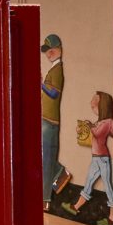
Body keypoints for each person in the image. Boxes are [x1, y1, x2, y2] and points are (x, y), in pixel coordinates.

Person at [71, 90, 113, 221]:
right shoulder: (100, 122)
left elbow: (97, 133)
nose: (92, 105)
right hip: (96, 158)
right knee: (89, 182)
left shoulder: (107, 122)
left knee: (107, 185)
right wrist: (83, 127)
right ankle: (76, 206)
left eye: (94, 102)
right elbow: (92, 135)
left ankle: (112, 217)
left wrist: (90, 126)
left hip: (102, 159)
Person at [37, 34, 66, 198]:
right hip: (45, 118)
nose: (49, 54)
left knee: (46, 158)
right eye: (47, 51)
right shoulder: (54, 69)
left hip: (50, 120)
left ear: (59, 49)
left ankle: (45, 197)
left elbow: (54, 93)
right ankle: (60, 173)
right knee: (44, 155)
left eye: (51, 50)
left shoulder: (58, 70)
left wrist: (41, 83)